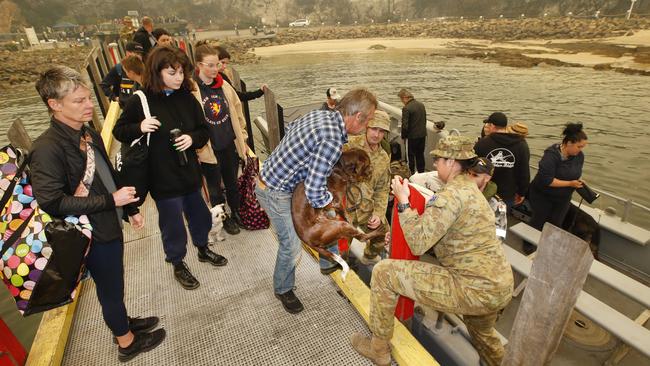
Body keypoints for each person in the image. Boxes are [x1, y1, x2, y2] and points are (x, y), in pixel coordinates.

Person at [31, 66, 165, 361]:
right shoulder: (46, 148)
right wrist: (111, 201)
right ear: (54, 104)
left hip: (108, 221)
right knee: (110, 289)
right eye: (79, 101)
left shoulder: (86, 131)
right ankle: (126, 343)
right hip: (90, 234)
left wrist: (128, 208)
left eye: (88, 97)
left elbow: (106, 175)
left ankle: (123, 323)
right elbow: (52, 202)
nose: (90, 105)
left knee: (114, 283)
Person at [351, 136, 514, 366]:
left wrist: (403, 201)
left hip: (471, 287)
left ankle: (379, 350)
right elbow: (448, 236)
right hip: (498, 285)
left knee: (384, 273)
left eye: (438, 159)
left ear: (451, 162)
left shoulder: (451, 196)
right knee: (483, 334)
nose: (435, 164)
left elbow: (418, 243)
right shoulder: (470, 190)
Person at [113, 46, 228, 290]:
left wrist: (192, 139)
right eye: (172, 73)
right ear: (157, 71)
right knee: (173, 225)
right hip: (162, 179)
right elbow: (119, 131)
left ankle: (202, 248)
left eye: (181, 73)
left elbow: (203, 130)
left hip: (190, 174)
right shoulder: (140, 100)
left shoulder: (187, 96)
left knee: (199, 216)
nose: (179, 78)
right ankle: (177, 262)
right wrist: (140, 127)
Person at [255, 88, 377, 314]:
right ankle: (283, 288)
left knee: (327, 215)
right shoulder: (332, 139)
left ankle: (328, 262)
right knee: (291, 246)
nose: (367, 126)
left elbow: (291, 131)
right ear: (357, 117)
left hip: (278, 178)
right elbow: (314, 191)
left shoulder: (322, 114)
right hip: (275, 190)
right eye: (368, 120)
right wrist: (334, 204)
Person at [192, 42, 250, 235]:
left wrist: (242, 137)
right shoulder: (192, 89)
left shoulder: (223, 85)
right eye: (210, 65)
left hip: (228, 144)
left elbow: (238, 110)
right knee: (215, 188)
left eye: (217, 64)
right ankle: (222, 217)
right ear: (198, 65)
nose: (215, 69)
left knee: (232, 182)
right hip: (209, 148)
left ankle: (236, 212)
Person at [526, 123, 588, 254]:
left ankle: (549, 246)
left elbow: (576, 173)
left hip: (563, 198)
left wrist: (577, 181)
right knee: (538, 220)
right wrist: (570, 184)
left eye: (583, 147)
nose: (581, 150)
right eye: (579, 146)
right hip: (542, 195)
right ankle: (529, 243)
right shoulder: (551, 156)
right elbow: (547, 180)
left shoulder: (579, 156)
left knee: (556, 223)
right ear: (569, 143)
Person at [343, 110, 391, 265]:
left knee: (383, 234)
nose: (376, 135)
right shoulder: (349, 145)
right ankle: (338, 268)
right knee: (340, 247)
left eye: (381, 131)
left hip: (366, 208)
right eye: (374, 129)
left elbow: (382, 189)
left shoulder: (384, 158)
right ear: (366, 127)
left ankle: (369, 257)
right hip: (345, 208)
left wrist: (378, 213)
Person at [474, 112, 530, 210]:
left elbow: (472, 167)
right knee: (500, 222)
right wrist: (522, 192)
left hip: (483, 192)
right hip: (507, 195)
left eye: (488, 124)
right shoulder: (522, 145)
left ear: (492, 125)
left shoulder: (482, 143)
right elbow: (524, 172)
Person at [99, 42, 143, 108]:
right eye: (136, 53)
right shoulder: (118, 69)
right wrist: (115, 98)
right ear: (128, 53)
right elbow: (104, 85)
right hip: (125, 107)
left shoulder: (146, 69)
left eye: (140, 54)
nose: (139, 56)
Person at [398, 88, 427, 174]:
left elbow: (405, 125)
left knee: (410, 156)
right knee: (420, 155)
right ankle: (421, 172)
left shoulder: (406, 108)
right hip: (422, 135)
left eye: (401, 99)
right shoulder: (421, 105)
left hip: (411, 137)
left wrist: (403, 136)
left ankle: (411, 174)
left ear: (404, 98)